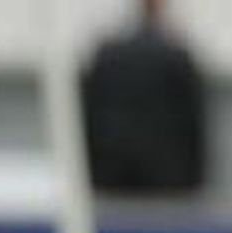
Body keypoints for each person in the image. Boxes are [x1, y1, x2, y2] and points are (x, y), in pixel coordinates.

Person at [82, 0, 208, 195]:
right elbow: (194, 127)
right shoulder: (178, 59)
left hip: (112, 180)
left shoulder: (108, 56)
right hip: (168, 184)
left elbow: (89, 119)